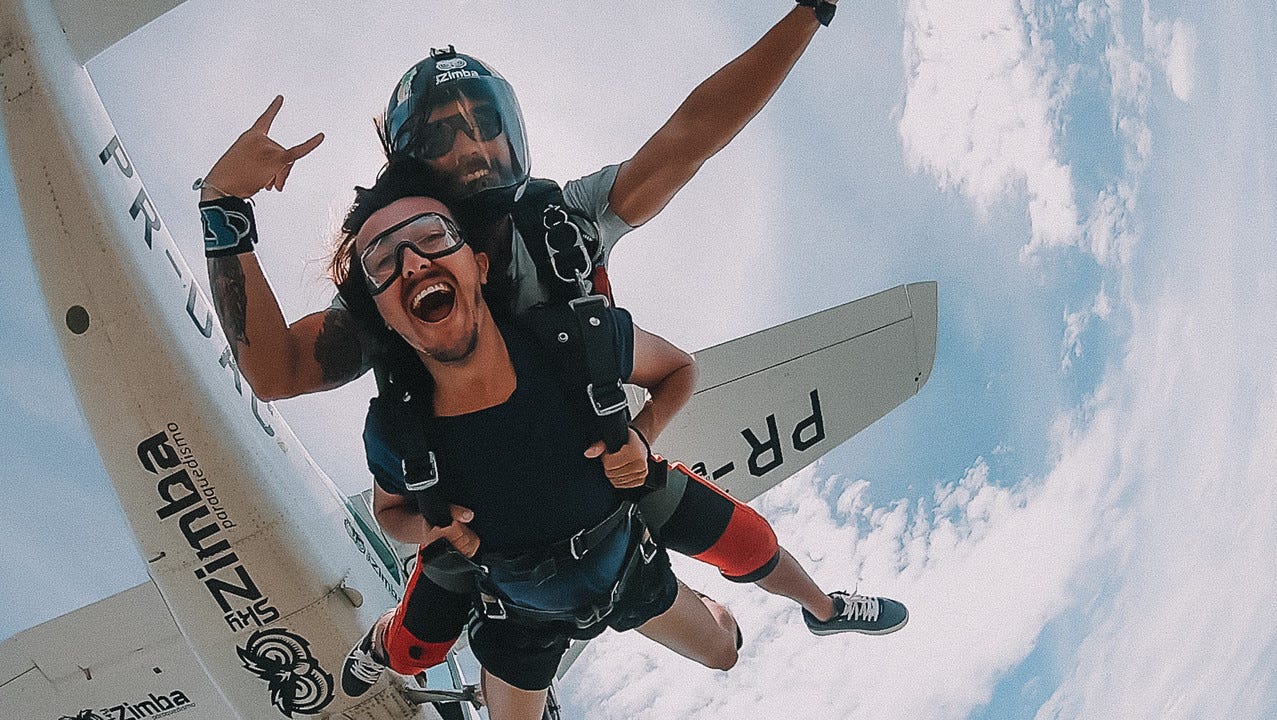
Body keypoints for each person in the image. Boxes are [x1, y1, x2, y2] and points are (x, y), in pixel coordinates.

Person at [198, 0, 905, 699]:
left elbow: (692, 136)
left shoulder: (558, 225)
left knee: (725, 634)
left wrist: (810, 12)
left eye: (483, 127)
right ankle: (389, 644)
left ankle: (817, 607)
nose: (471, 149)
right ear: (411, 161)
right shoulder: (394, 276)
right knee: (418, 641)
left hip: (597, 483)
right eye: (443, 137)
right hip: (494, 528)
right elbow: (279, 371)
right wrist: (225, 206)